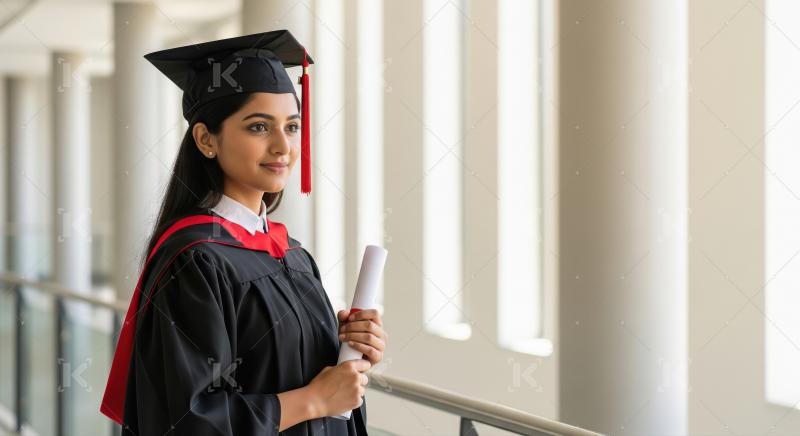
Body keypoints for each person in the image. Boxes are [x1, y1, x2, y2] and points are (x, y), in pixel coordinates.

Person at [100, 29, 388, 435]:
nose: (283, 147)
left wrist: (345, 346)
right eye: (258, 127)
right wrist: (315, 400)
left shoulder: (292, 254)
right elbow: (188, 419)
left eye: (291, 127)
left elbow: (298, 377)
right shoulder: (196, 258)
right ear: (206, 140)